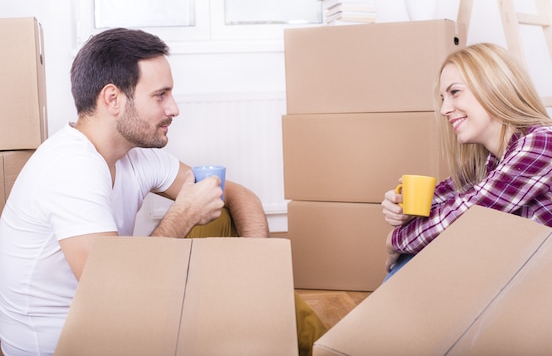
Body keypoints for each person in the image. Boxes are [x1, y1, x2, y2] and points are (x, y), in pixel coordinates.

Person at [0, 28, 326, 356]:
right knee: (215, 276)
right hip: (71, 339)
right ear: (113, 99)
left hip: (113, 315)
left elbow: (237, 194)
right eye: (160, 95)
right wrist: (181, 216)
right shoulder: (71, 167)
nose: (174, 108)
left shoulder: (136, 153)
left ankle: (308, 339)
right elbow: (111, 294)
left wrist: (257, 265)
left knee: (215, 216)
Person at [381, 42, 552, 279]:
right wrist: (401, 206)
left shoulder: (544, 145)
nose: (445, 109)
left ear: (494, 86)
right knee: (425, 251)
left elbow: (462, 217)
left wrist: (395, 242)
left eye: (454, 92)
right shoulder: (495, 160)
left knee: (421, 252)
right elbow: (440, 199)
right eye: (443, 98)